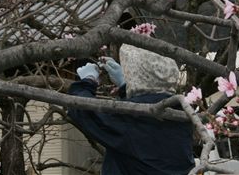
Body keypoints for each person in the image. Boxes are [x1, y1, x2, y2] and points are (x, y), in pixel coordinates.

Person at [68, 44, 195, 175]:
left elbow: (82, 110)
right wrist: (125, 86)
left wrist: (87, 81)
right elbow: (143, 125)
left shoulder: (129, 117)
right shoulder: (182, 113)